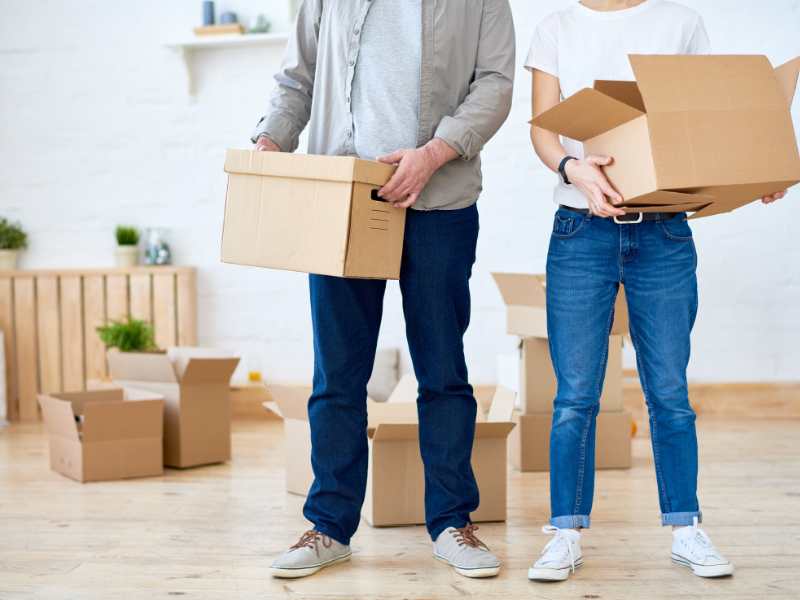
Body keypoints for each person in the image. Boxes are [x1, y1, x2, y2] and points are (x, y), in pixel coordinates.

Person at [252, 0, 515, 579]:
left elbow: (495, 83)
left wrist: (433, 153)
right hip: (342, 196)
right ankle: (329, 525)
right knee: (338, 372)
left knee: (443, 369)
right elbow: (297, 75)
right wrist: (271, 142)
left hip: (439, 199)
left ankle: (452, 522)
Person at [526, 0, 786, 583]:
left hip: (663, 232)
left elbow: (705, 122)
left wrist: (752, 171)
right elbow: (543, 132)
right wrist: (572, 168)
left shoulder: (680, 22)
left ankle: (686, 528)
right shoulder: (556, 29)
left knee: (668, 390)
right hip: (579, 231)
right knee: (575, 396)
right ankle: (564, 533)